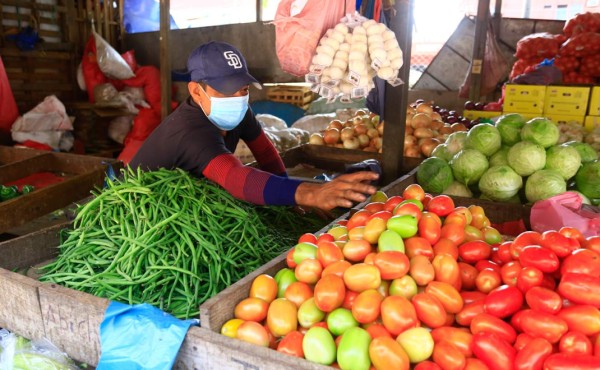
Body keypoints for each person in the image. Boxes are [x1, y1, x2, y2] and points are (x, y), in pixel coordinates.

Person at [129, 41, 378, 211]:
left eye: (243, 89)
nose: (238, 98)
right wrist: (309, 193)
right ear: (196, 91)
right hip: (140, 207)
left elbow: (265, 152)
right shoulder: (190, 132)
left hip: (186, 200)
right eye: (226, 91)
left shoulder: (239, 109)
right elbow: (235, 177)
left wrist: (290, 201)